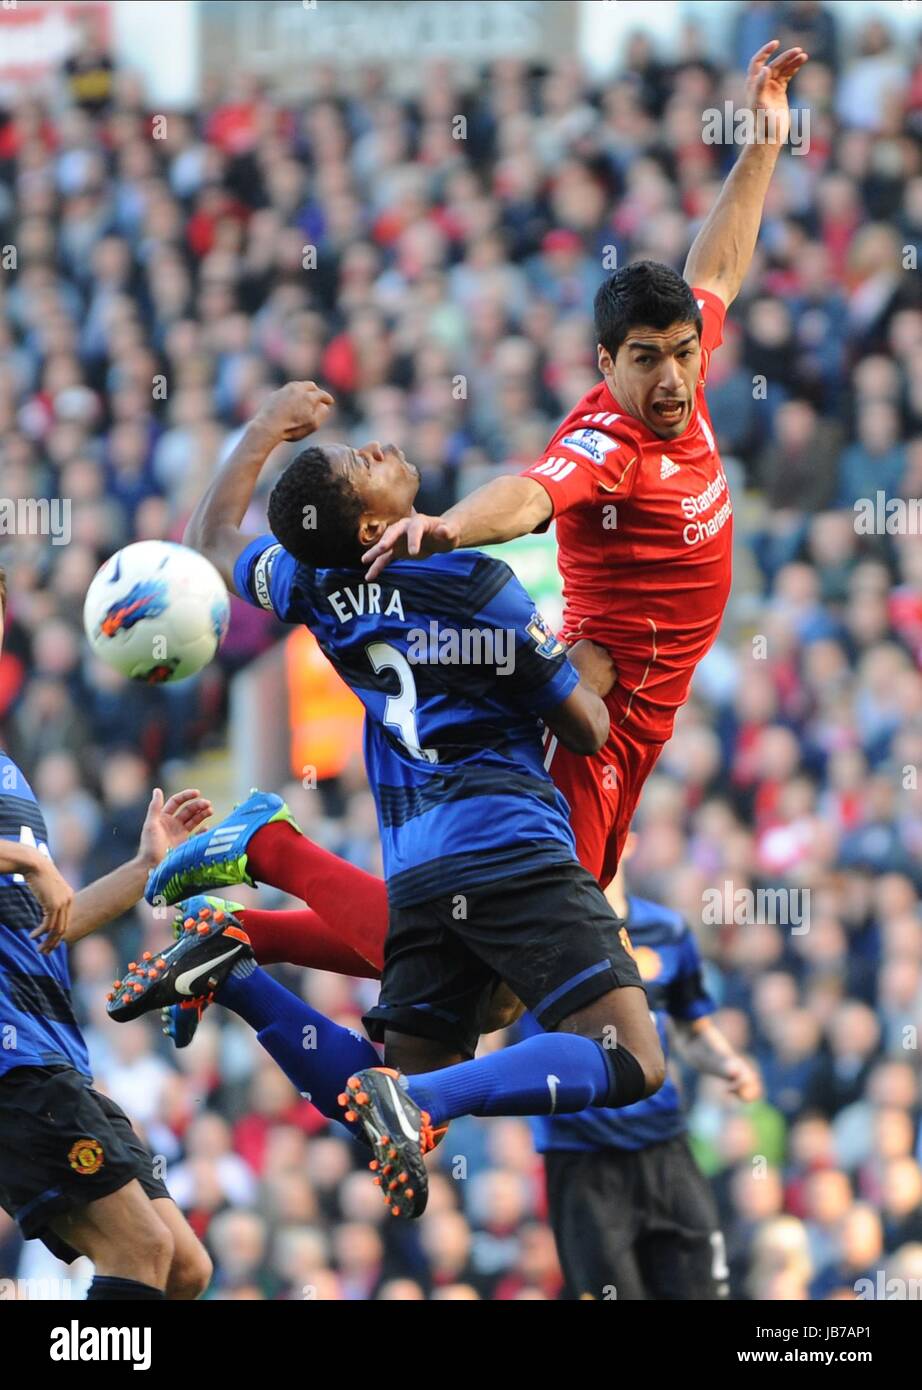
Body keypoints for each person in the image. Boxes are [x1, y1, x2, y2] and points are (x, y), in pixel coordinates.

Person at [111, 379, 666, 1217]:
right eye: (356, 463)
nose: (375, 449)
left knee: (383, 1097)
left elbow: (211, 540)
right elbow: (586, 729)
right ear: (373, 529)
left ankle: (236, 969)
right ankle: (424, 1090)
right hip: (509, 844)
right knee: (631, 1058)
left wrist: (264, 429)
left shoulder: (309, 584)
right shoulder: (475, 587)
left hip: (418, 871)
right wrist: (588, 671)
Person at [363, 40, 809, 890]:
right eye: (647, 360)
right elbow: (532, 495)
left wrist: (764, 141)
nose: (674, 378)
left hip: (640, 712)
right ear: (607, 363)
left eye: (684, 353)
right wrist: (448, 526)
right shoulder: (613, 441)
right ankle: (266, 869)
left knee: (528, 951)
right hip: (598, 714)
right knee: (531, 952)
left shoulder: (684, 361)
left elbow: (715, 268)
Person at [0, 565, 213, 1299]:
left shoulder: (8, 773)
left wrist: (143, 866)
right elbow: (37, 878)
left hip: (50, 1050)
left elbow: (50, 925)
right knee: (140, 1250)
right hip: (11, 1067)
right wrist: (28, 856)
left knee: (186, 1268)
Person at [520, 833, 762, 1301]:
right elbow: (493, 1032)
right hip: (582, 1156)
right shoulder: (533, 936)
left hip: (664, 1145)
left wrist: (728, 1064)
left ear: (626, 839)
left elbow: (692, 1030)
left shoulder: (668, 931)